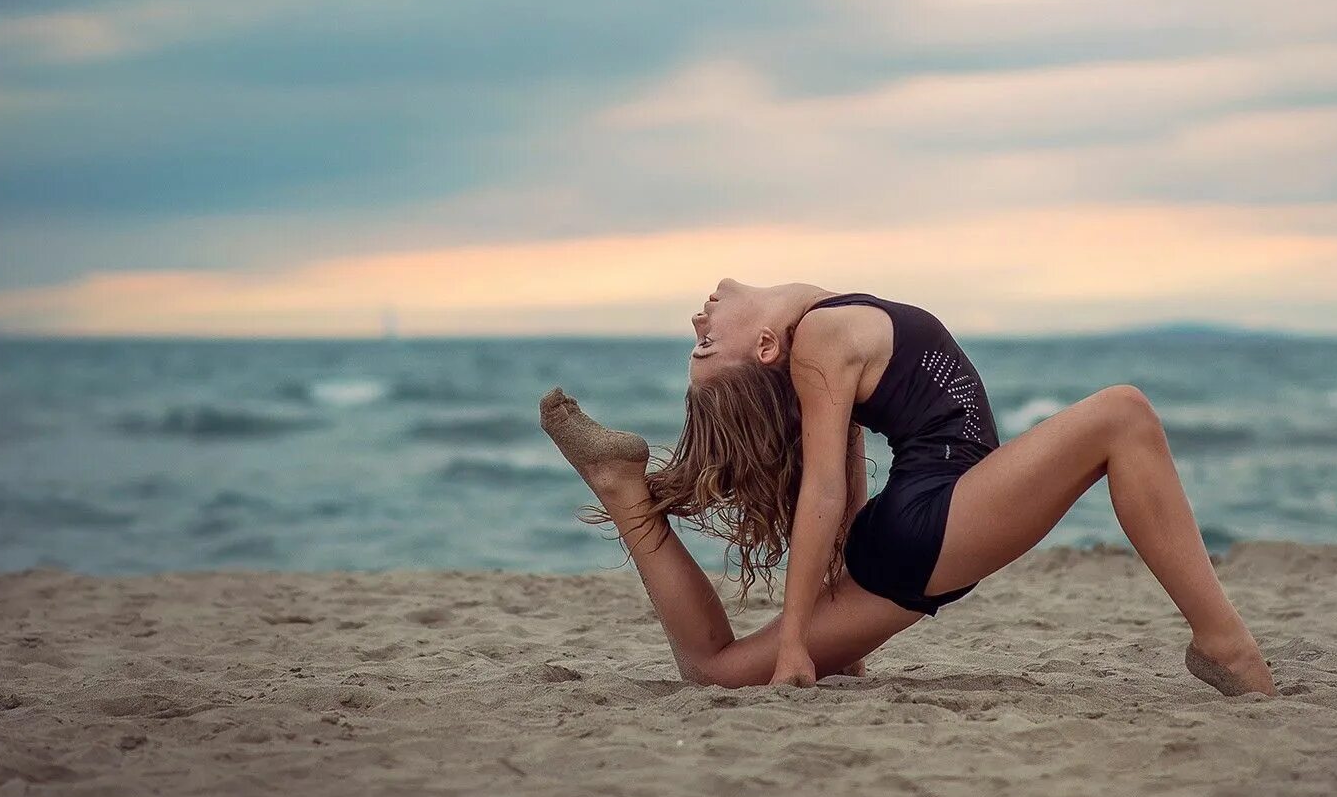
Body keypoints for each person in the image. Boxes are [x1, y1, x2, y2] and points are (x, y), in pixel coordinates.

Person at [538, 279, 1275, 694]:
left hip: (919, 527)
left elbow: (848, 456)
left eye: (700, 337)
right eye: (705, 340)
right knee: (1124, 412)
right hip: (933, 518)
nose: (699, 314)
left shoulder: (821, 324)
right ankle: (1225, 644)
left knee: (713, 670)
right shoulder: (819, 339)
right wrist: (797, 639)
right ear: (765, 346)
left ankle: (623, 489)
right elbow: (823, 488)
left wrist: (838, 603)